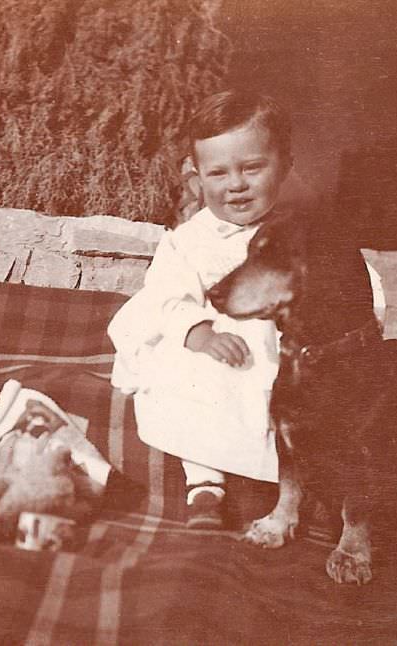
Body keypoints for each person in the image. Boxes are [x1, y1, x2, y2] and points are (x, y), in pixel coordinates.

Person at [107, 89, 294, 528]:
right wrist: (199, 333)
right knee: (184, 375)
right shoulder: (189, 240)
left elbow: (343, 289)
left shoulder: (302, 234)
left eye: (252, 168)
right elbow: (168, 296)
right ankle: (205, 483)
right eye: (218, 173)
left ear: (285, 165)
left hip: (283, 351)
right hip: (213, 345)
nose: (236, 185)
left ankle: (291, 484)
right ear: (198, 180)